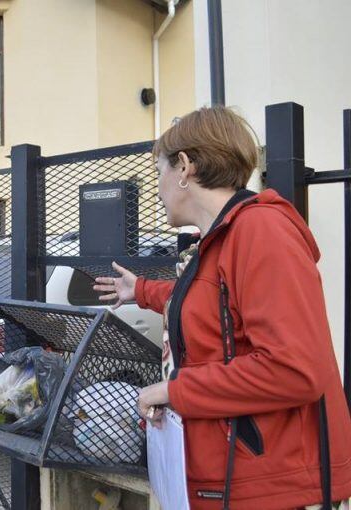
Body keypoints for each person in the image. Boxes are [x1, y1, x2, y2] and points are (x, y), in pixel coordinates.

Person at [93, 106, 351, 509]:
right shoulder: (224, 237)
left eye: (159, 171)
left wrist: (174, 391)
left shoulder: (261, 231)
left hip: (274, 488)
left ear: (184, 167)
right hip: (238, 482)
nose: (158, 189)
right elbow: (209, 304)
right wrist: (141, 289)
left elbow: (294, 370)